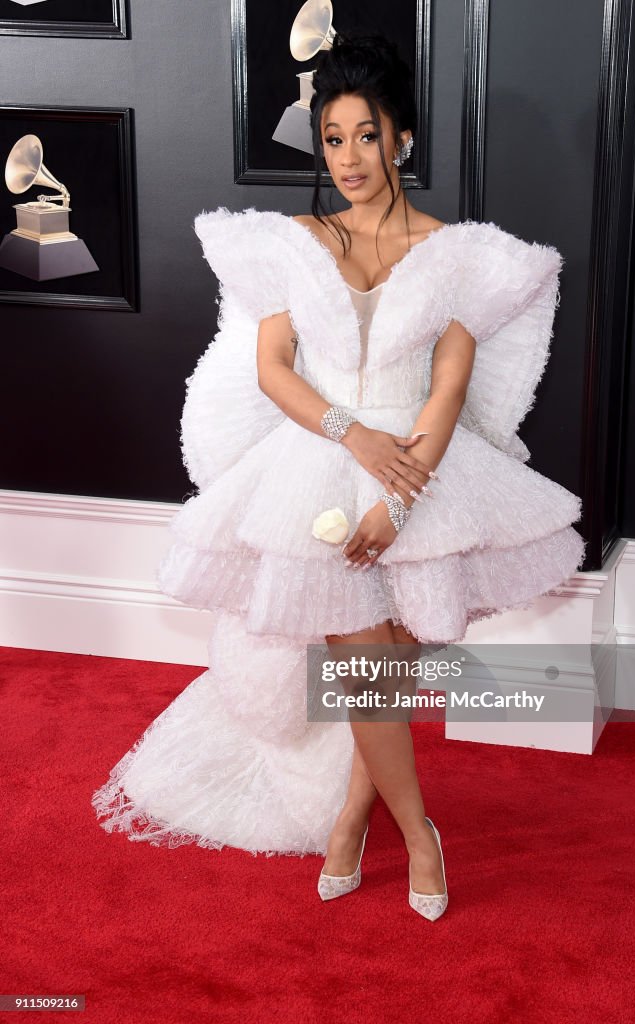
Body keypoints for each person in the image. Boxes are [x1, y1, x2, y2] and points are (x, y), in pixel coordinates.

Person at [91, 32, 585, 923]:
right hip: (315, 471)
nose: (348, 157)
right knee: (367, 672)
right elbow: (275, 366)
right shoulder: (293, 241)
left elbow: (447, 387)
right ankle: (421, 834)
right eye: (331, 138)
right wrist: (351, 436)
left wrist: (399, 497)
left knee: (385, 672)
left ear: (400, 139)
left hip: (424, 476)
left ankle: (352, 824)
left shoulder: (456, 252)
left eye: (365, 135)